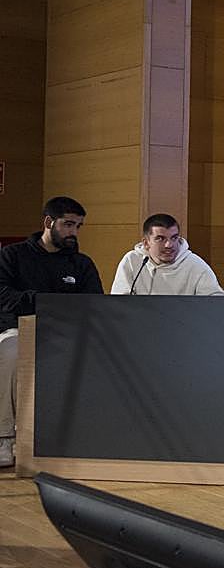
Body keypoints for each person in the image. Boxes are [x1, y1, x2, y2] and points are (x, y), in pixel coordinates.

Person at [0, 196, 105, 468]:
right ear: (49, 222)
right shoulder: (12, 256)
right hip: (18, 328)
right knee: (10, 354)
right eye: (68, 224)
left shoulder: (82, 264)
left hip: (66, 335)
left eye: (78, 226)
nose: (73, 232)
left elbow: (94, 303)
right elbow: (4, 296)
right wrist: (45, 301)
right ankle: (5, 438)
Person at [111, 213, 224, 295]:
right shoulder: (132, 261)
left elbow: (215, 302)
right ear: (146, 243)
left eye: (174, 238)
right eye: (160, 239)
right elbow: (119, 303)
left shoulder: (194, 264)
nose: (169, 245)